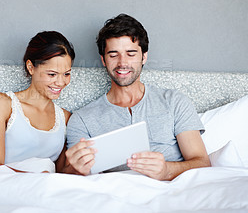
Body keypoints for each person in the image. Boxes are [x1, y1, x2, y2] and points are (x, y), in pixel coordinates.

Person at [65, 13, 211, 180]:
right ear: (103, 60)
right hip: (118, 196)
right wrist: (75, 170)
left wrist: (166, 171)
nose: (122, 63)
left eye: (131, 53)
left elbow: (202, 163)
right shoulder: (82, 119)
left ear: (144, 57)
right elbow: (71, 177)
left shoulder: (174, 102)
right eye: (113, 54)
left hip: (172, 192)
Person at [0, 31, 75, 173]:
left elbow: (61, 172)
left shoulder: (66, 118)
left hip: (48, 191)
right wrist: (38, 179)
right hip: (8, 187)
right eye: (52, 74)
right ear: (31, 67)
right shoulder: (2, 104)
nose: (61, 82)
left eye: (67, 74)